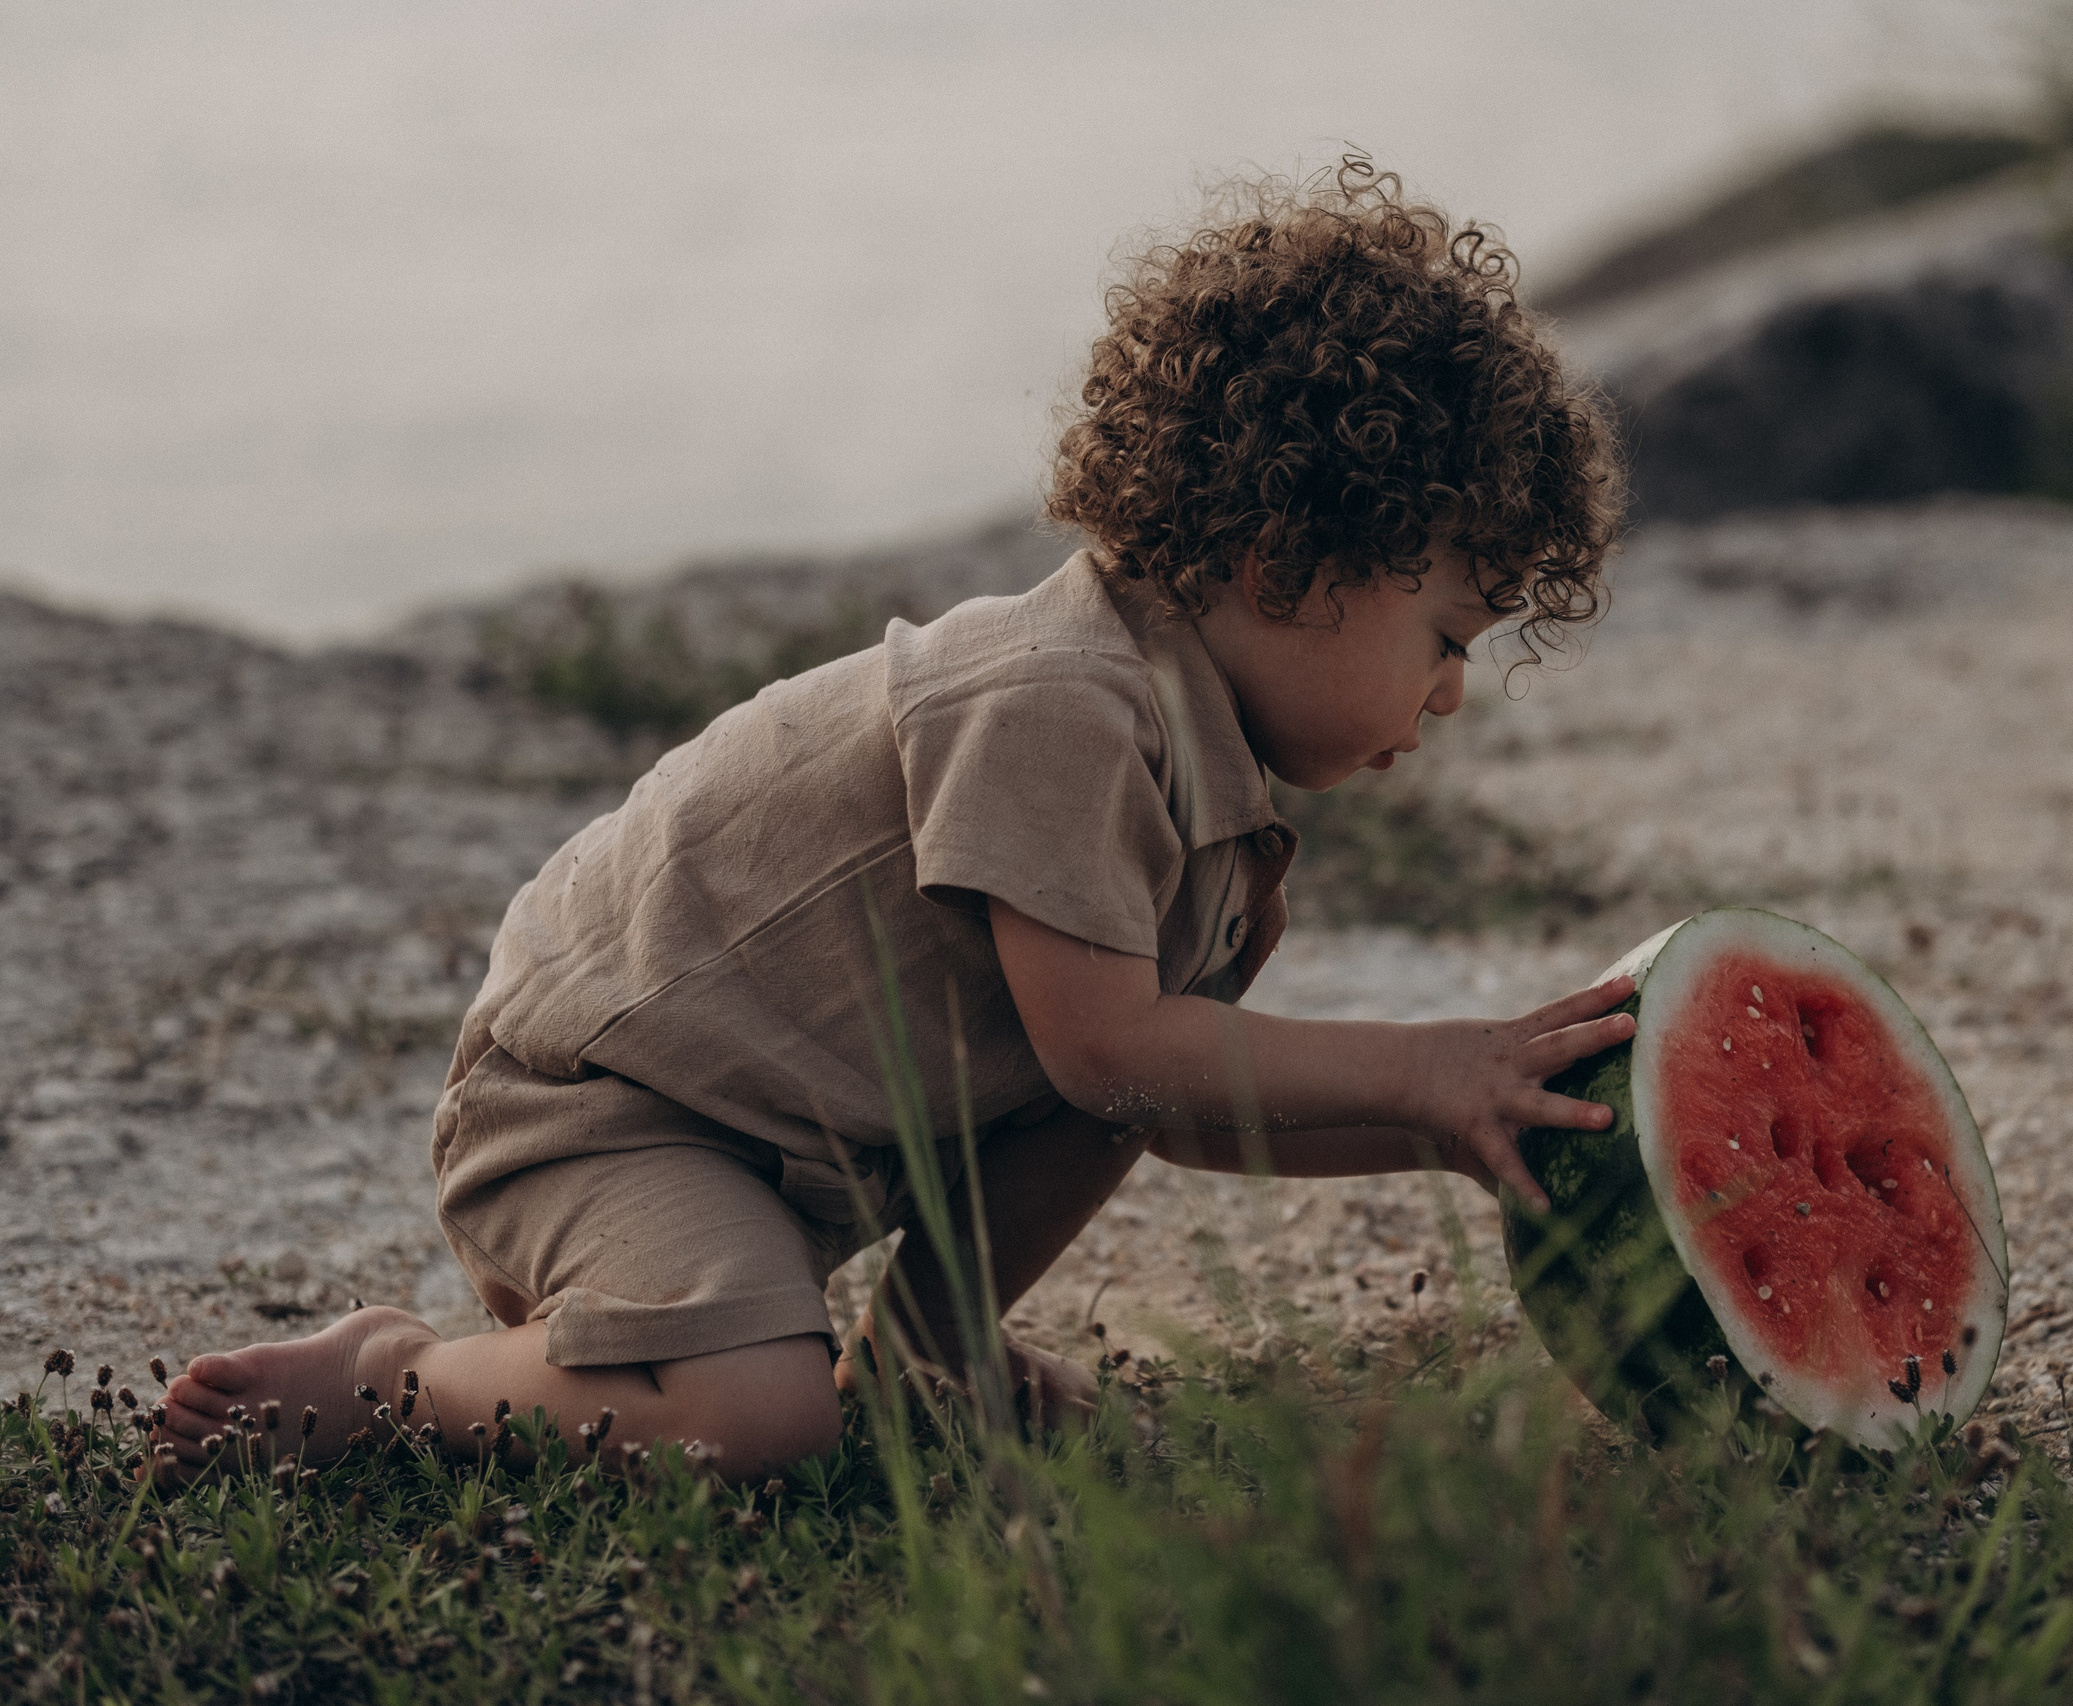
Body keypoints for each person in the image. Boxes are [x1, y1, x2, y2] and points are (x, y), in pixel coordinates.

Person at [156, 158, 1627, 1481]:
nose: (1448, 696)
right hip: (602, 1112)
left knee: (1131, 1054)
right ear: (1282, 559)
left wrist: (1447, 1126)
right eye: (1444, 637)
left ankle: (922, 1370)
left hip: (782, 1162)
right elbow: (1114, 1053)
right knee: (760, 1423)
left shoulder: (1217, 829)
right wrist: (1424, 1065)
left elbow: (1168, 1103)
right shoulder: (1065, 702)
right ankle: (388, 1376)